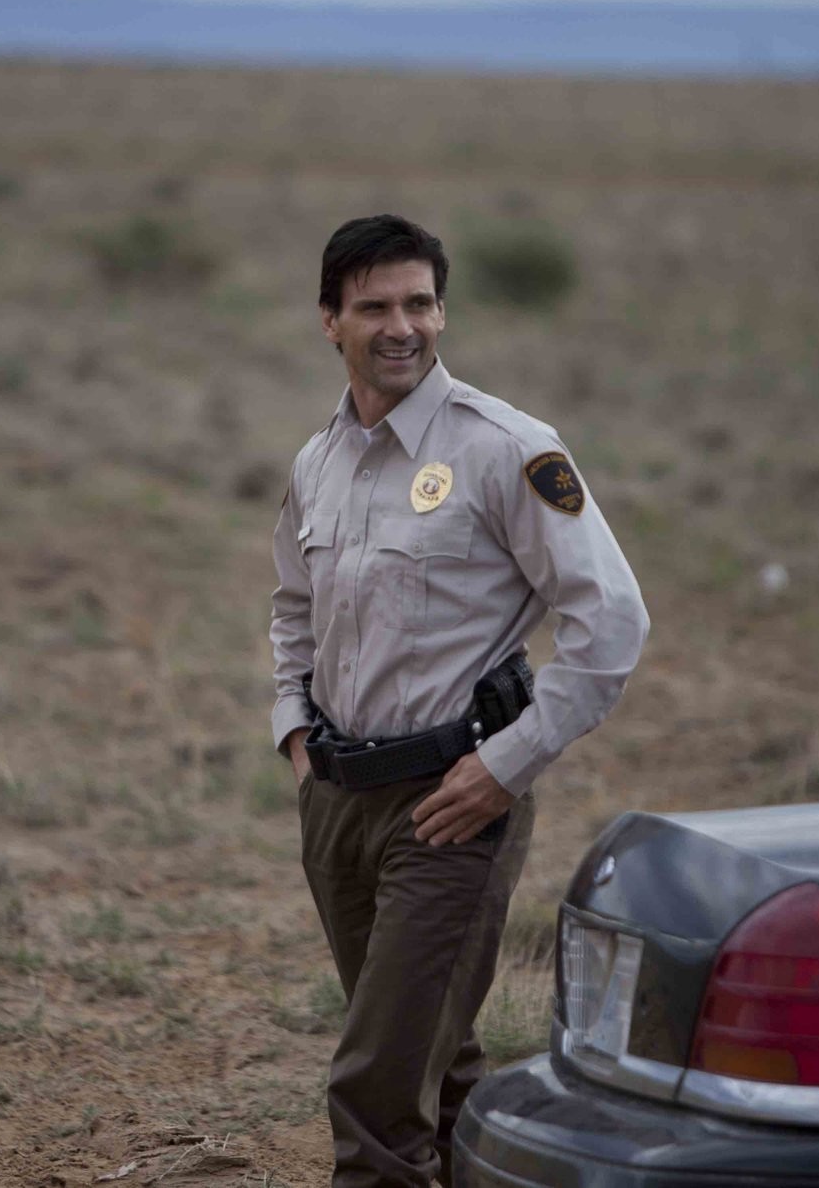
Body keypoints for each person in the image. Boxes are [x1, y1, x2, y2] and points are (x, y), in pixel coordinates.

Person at [269, 213, 650, 1188]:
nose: (401, 327)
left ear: (441, 310)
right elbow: (290, 608)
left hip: (451, 805)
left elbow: (608, 624)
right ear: (329, 321)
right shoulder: (317, 463)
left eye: (419, 304)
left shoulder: (506, 449)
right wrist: (294, 735)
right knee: (430, 1062)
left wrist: (506, 765)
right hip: (336, 802)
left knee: (373, 1087)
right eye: (374, 307)